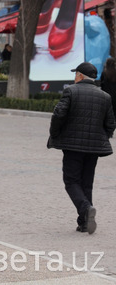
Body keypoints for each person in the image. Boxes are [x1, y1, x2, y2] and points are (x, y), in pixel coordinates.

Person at [48, 62, 115, 234]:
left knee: (71, 181)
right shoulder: (105, 96)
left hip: (72, 146)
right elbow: (110, 124)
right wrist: (101, 138)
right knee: (87, 183)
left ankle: (85, 208)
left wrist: (55, 134)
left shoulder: (71, 91)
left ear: (79, 76)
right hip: (93, 148)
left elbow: (58, 114)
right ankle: (84, 223)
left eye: (75, 74)